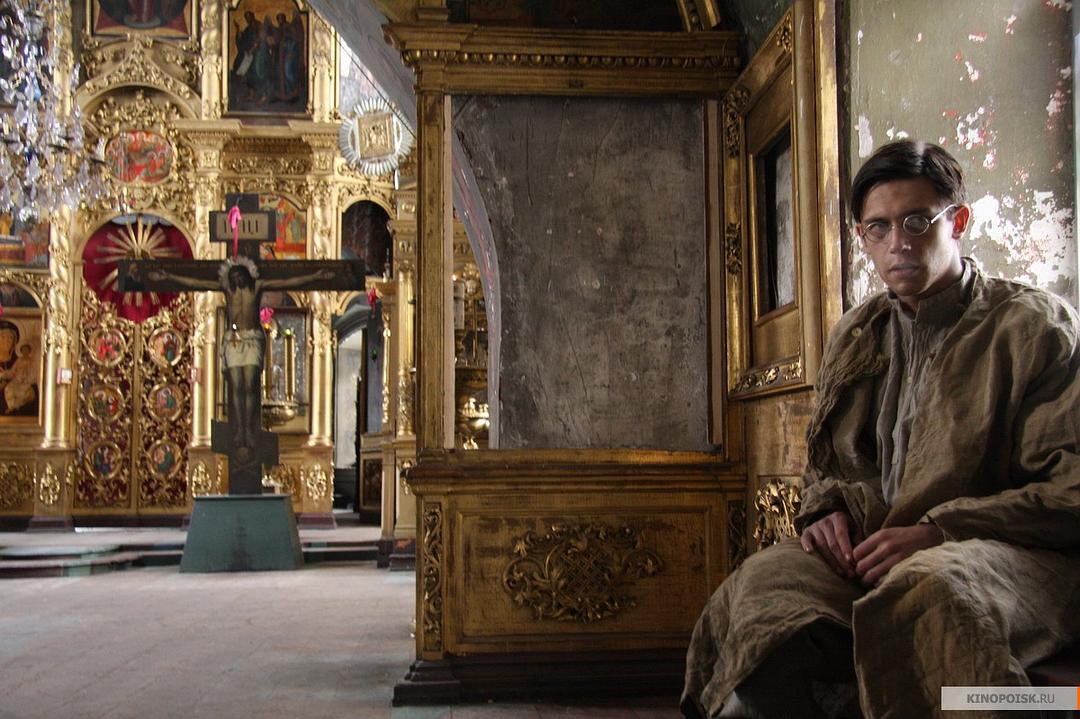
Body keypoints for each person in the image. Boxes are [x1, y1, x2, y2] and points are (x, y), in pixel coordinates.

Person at [682, 141, 1080, 719]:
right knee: (765, 585)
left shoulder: (1034, 328)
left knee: (932, 589)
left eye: (918, 221)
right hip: (876, 552)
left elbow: (1069, 493)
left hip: (1013, 556)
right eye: (879, 227)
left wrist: (938, 532)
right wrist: (827, 511)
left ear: (958, 222)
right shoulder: (858, 334)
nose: (900, 243)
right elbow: (828, 465)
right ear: (863, 237)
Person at [144, 257, 333, 458]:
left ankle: (249, 431)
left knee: (250, 385)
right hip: (233, 340)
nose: (237, 279)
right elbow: (196, 282)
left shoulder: (257, 287)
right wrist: (168, 276)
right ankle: (240, 431)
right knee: (236, 386)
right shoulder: (227, 289)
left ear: (247, 274)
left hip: (252, 339)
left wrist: (315, 276)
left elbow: (287, 281)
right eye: (234, 277)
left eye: (240, 275)